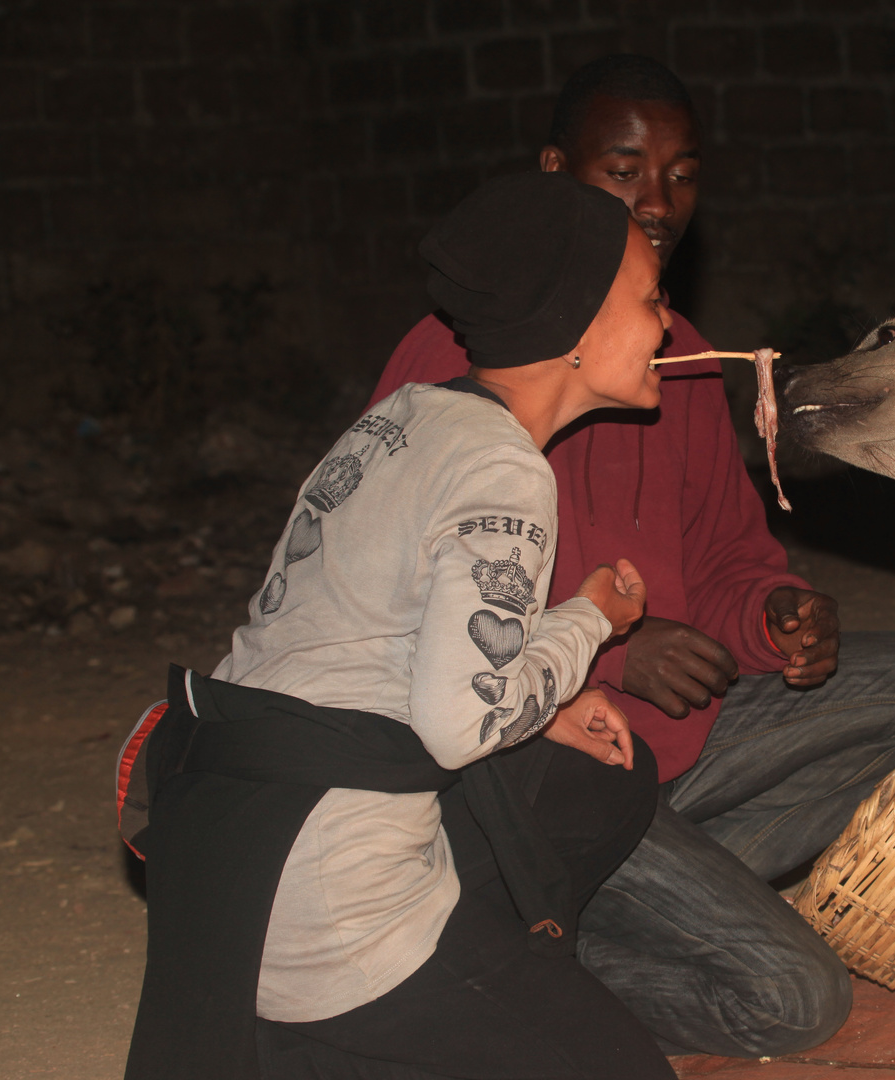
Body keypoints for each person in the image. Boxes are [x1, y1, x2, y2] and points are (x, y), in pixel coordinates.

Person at [369, 54, 895, 1058]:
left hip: (669, 759)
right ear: (556, 171)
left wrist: (777, 616)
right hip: (534, 776)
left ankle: (610, 897)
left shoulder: (680, 351)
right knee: (794, 1001)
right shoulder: (458, 361)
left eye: (681, 173)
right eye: (623, 172)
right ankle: (509, 941)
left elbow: (731, 554)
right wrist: (614, 650)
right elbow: (404, 624)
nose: (658, 202)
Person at [124, 172, 681, 1080]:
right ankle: (375, 1025)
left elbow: (378, 653)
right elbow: (461, 726)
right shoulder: (506, 472)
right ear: (577, 331)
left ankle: (451, 1001)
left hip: (231, 871)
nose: (666, 323)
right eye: (651, 299)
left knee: (598, 782)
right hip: (331, 909)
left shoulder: (402, 417)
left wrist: (545, 691)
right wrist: (593, 618)